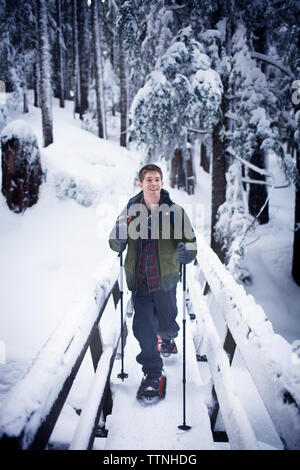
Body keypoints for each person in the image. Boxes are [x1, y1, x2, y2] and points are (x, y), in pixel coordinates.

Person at [109, 164, 197, 399]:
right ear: (141, 183)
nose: (153, 183)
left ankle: (167, 338)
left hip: (165, 280)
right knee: (143, 328)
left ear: (162, 182)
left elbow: (190, 239)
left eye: (157, 179)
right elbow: (114, 240)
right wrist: (118, 238)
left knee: (167, 324)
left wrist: (188, 251)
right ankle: (152, 373)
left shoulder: (174, 211)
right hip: (140, 281)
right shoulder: (130, 209)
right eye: (149, 179)